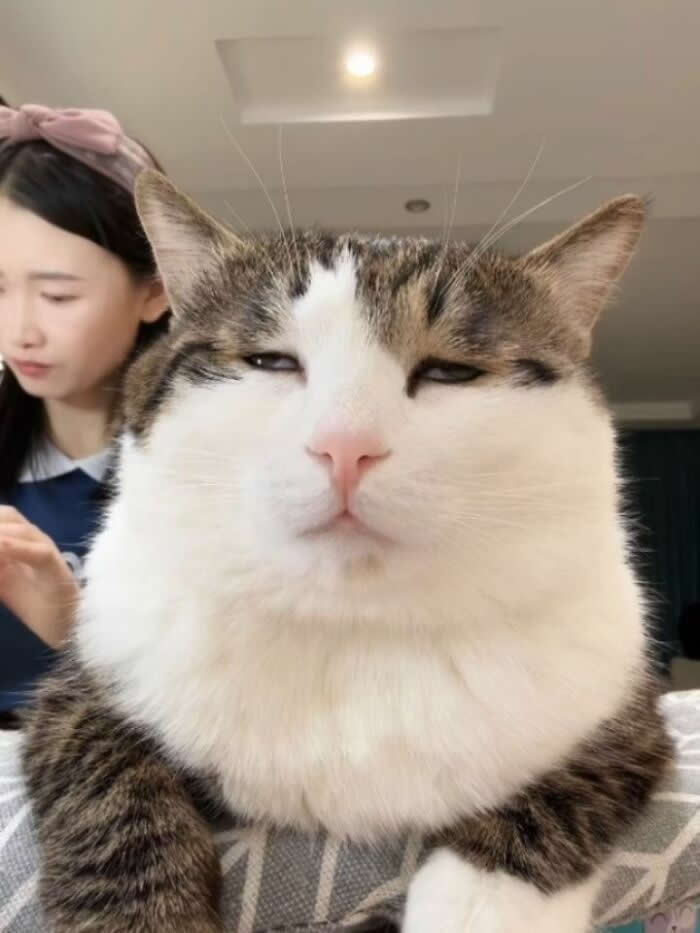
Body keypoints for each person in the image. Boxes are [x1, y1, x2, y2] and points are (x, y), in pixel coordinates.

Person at [0, 104, 169, 722]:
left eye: (57, 295)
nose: (19, 331)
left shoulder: (208, 479)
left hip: (118, 788)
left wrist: (70, 624)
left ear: (155, 291)